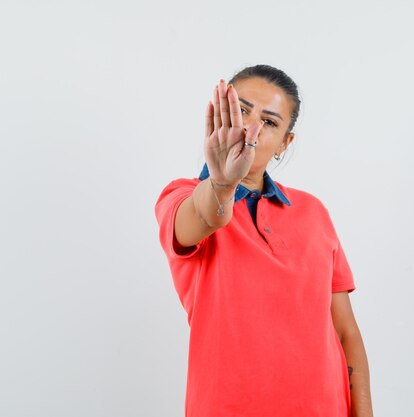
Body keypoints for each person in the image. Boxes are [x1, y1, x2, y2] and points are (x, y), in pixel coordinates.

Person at [154, 64, 374, 417]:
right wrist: (223, 183)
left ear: (285, 143)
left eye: (269, 122)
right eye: (241, 110)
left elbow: (346, 331)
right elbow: (204, 216)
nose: (250, 128)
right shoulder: (182, 196)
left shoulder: (313, 211)